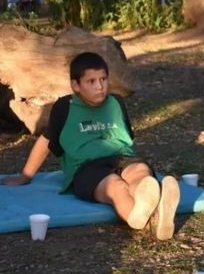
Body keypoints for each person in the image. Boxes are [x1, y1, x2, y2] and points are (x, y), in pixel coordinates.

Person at [0, 52, 180, 241]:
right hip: (86, 167)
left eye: (103, 79)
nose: (100, 86)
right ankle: (152, 221)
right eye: (91, 81)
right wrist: (25, 176)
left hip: (123, 157)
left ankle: (151, 201)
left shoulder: (116, 102)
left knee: (140, 174)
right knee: (116, 187)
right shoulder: (65, 107)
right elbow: (46, 141)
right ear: (76, 85)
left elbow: (126, 139)